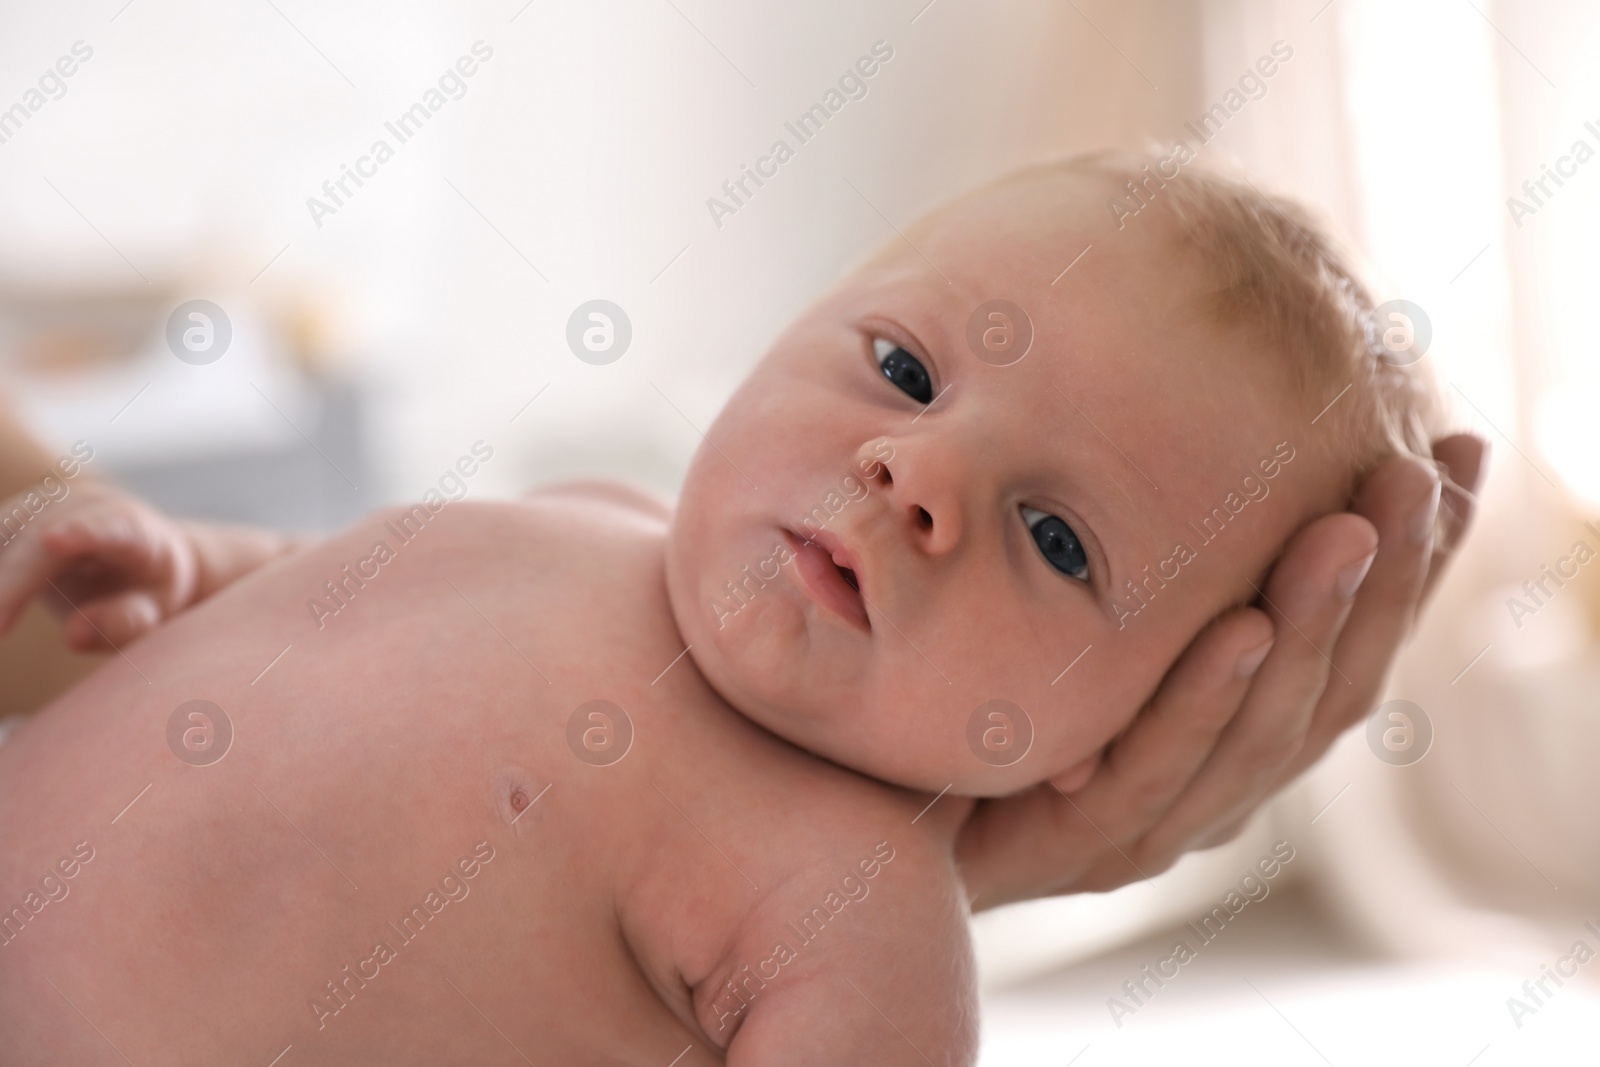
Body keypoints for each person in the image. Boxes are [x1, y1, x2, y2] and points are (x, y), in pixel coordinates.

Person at [0, 154, 1485, 1063]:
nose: (915, 472)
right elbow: (322, 593)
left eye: (1055, 537)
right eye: (905, 369)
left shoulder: (858, 916)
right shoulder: (586, 514)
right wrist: (177, 561)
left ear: (1134, 728)